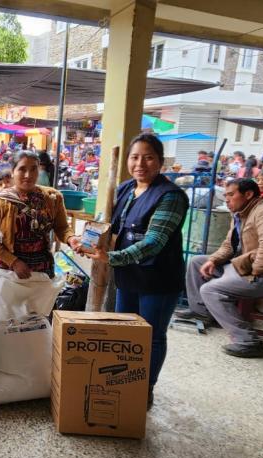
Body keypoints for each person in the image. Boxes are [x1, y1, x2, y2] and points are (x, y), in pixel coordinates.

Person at [83, 134, 189, 410]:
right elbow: (109, 224)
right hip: (128, 276)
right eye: (135, 157)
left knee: (151, 336)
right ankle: (125, 382)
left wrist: (112, 257)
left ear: (161, 162)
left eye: (148, 157)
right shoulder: (126, 188)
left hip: (158, 279)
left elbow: (154, 242)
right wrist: (87, 241)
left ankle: (145, 389)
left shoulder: (170, 196)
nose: (140, 163)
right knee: (125, 335)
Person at [175, 179, 263, 358]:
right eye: (225, 195)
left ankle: (248, 341)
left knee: (210, 290)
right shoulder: (241, 213)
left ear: (248, 194)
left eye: (231, 195)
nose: (227, 199)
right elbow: (229, 245)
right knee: (198, 262)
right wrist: (214, 260)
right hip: (246, 265)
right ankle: (202, 313)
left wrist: (252, 273)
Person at [0, 150, 82, 279]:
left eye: (34, 169)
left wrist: (71, 238)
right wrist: (13, 262)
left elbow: (62, 227)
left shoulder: (53, 197)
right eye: (22, 169)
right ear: (13, 171)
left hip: (41, 267)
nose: (28, 175)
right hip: (6, 269)